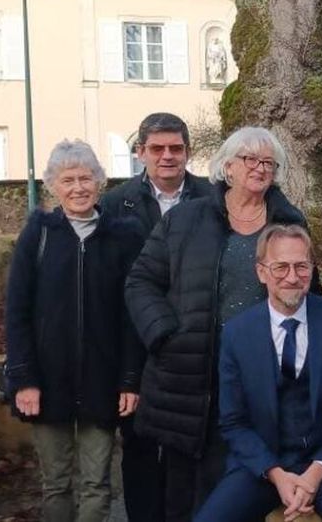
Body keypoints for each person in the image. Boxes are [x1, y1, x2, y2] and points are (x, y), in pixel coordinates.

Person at [125, 126, 320, 522]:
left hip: (262, 369)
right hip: (191, 369)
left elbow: (309, 289)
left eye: (269, 162)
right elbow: (141, 280)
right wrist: (165, 332)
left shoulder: (287, 219)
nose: (260, 168)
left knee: (249, 475)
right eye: (250, 159)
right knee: (186, 487)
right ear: (227, 166)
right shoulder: (186, 218)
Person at [5, 140, 145, 522]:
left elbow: (133, 315)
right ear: (53, 185)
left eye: (86, 178)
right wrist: (25, 379)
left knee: (97, 483)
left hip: (103, 381)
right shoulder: (39, 234)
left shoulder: (124, 236)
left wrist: (130, 379)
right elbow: (16, 312)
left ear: (99, 182)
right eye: (68, 180)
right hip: (49, 382)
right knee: (55, 484)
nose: (78, 188)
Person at [194, 225, 322, 522]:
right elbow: (233, 421)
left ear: (312, 269)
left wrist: (314, 473)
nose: (292, 277)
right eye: (281, 267)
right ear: (261, 272)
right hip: (264, 462)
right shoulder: (237, 333)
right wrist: (277, 475)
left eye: (301, 266)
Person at [100, 112, 211, 522]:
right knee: (140, 445)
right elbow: (110, 285)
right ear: (140, 152)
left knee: (191, 449)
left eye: (176, 148)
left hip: (195, 343)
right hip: (136, 345)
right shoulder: (114, 204)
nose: (168, 157)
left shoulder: (211, 197)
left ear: (188, 152)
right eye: (158, 148)